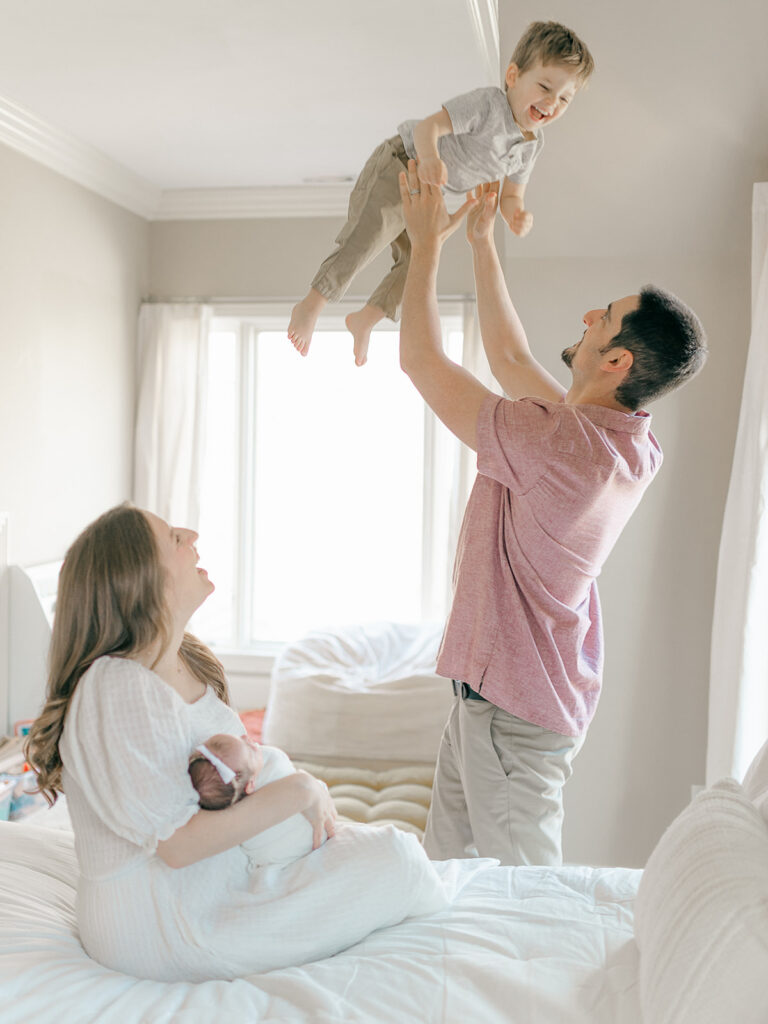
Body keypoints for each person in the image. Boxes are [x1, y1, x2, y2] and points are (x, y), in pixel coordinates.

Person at [396, 163, 707, 867]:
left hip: (512, 707)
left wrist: (425, 246)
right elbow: (509, 356)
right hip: (501, 697)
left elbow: (420, 361)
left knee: (524, 894)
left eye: (603, 317)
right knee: (445, 871)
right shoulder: (624, 441)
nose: (589, 318)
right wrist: (480, 243)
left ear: (617, 360)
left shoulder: (562, 443)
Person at [24, 504, 447, 982]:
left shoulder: (184, 660)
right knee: (399, 861)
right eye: (172, 539)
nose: (191, 533)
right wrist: (300, 790)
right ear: (140, 578)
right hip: (164, 924)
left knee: (392, 854)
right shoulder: (116, 684)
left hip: (220, 883)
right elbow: (177, 847)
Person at [287, 20, 594, 366]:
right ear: (512, 76)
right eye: (545, 87)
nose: (552, 102)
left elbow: (512, 196)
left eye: (565, 99)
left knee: (421, 260)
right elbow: (427, 127)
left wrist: (515, 214)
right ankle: (312, 304)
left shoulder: (531, 146)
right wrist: (430, 158)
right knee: (368, 238)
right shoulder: (489, 105)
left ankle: (367, 319)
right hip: (402, 164)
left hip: (426, 194)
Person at [189, 732, 318, 865]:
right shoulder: (273, 762)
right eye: (251, 751)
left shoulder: (228, 804)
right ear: (250, 785)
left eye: (240, 739)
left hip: (272, 861)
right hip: (311, 841)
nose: (246, 738)